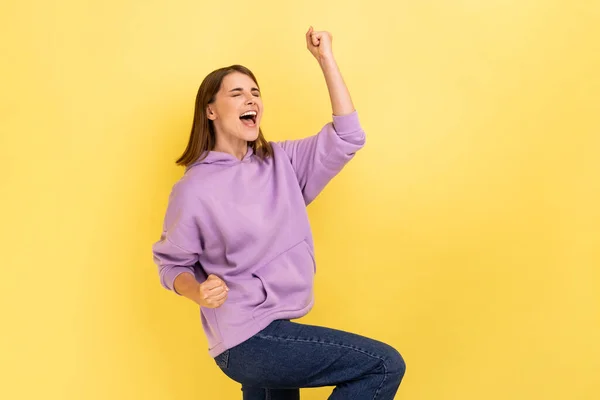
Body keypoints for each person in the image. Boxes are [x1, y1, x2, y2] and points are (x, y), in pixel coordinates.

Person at [152, 27, 406, 399]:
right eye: (236, 93)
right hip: (246, 337)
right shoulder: (194, 190)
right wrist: (198, 292)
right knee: (383, 365)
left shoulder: (282, 163)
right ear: (210, 110)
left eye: (255, 92)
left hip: (273, 329)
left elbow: (348, 135)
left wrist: (325, 60)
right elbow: (171, 264)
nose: (250, 99)